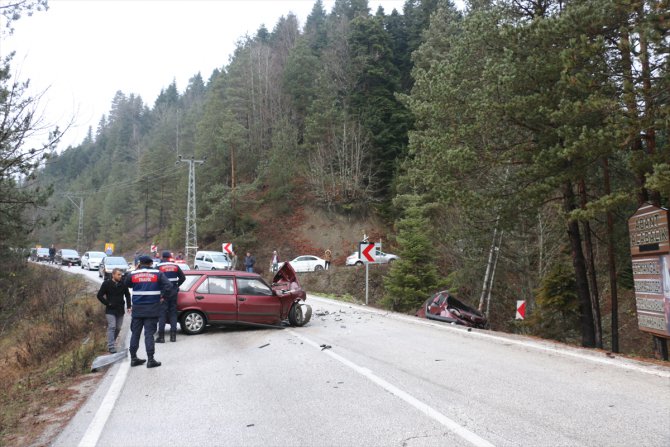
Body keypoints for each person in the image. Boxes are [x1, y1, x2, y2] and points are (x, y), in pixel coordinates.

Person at [124, 255, 172, 368]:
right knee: (149, 334)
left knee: (135, 333)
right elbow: (169, 286)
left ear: (139, 263)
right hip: (152, 309)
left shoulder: (133, 274)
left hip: (137, 309)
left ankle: (134, 358)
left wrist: (136, 270)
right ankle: (150, 360)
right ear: (151, 263)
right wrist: (163, 296)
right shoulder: (157, 274)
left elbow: (126, 284)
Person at [96, 268, 131, 353]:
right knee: (112, 326)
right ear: (113, 275)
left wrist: (129, 306)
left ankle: (112, 341)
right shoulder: (106, 284)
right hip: (110, 310)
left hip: (120, 309)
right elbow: (99, 295)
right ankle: (111, 346)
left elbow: (127, 295)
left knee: (118, 328)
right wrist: (108, 303)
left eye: (121, 275)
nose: (120, 276)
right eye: (118, 275)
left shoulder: (123, 284)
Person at [156, 251, 186, 343]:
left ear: (162, 257)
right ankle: (173, 337)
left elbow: (155, 280)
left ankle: (161, 337)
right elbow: (183, 278)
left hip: (163, 293)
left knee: (162, 314)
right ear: (169, 257)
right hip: (173, 292)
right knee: (173, 313)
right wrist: (176, 285)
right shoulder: (175, 266)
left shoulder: (159, 267)